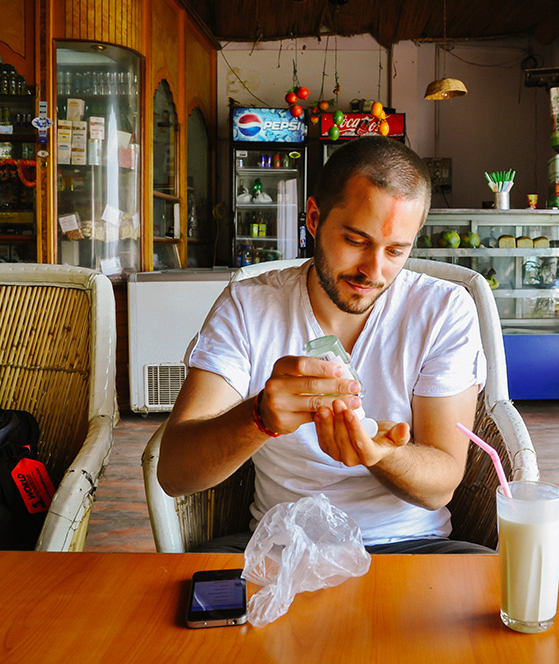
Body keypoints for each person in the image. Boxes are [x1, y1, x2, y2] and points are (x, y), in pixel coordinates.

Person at [158, 136, 490, 554]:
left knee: (482, 577)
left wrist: (377, 454)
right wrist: (258, 417)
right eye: (356, 241)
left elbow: (441, 484)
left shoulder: (444, 310)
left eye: (396, 250)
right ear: (314, 218)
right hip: (282, 544)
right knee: (191, 593)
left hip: (409, 545)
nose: (374, 270)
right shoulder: (249, 305)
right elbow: (174, 472)